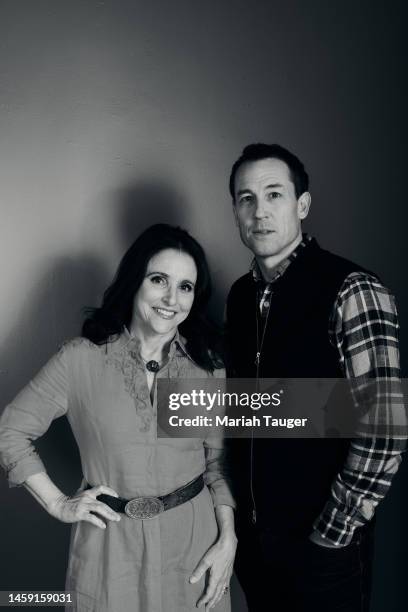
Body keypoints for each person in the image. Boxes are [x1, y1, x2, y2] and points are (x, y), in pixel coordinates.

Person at [0, 224, 237, 612]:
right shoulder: (80, 359)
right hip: (110, 550)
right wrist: (60, 504)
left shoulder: (206, 369)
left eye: (185, 287)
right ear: (135, 281)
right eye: (159, 279)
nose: (171, 299)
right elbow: (10, 432)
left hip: (194, 547)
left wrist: (228, 539)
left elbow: (216, 463)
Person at [225, 144, 405, 611]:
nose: (260, 211)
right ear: (236, 213)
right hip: (256, 544)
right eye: (247, 199)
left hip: (324, 544)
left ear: (301, 205)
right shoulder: (239, 298)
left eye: (274, 194)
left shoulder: (352, 288)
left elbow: (384, 429)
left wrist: (334, 531)